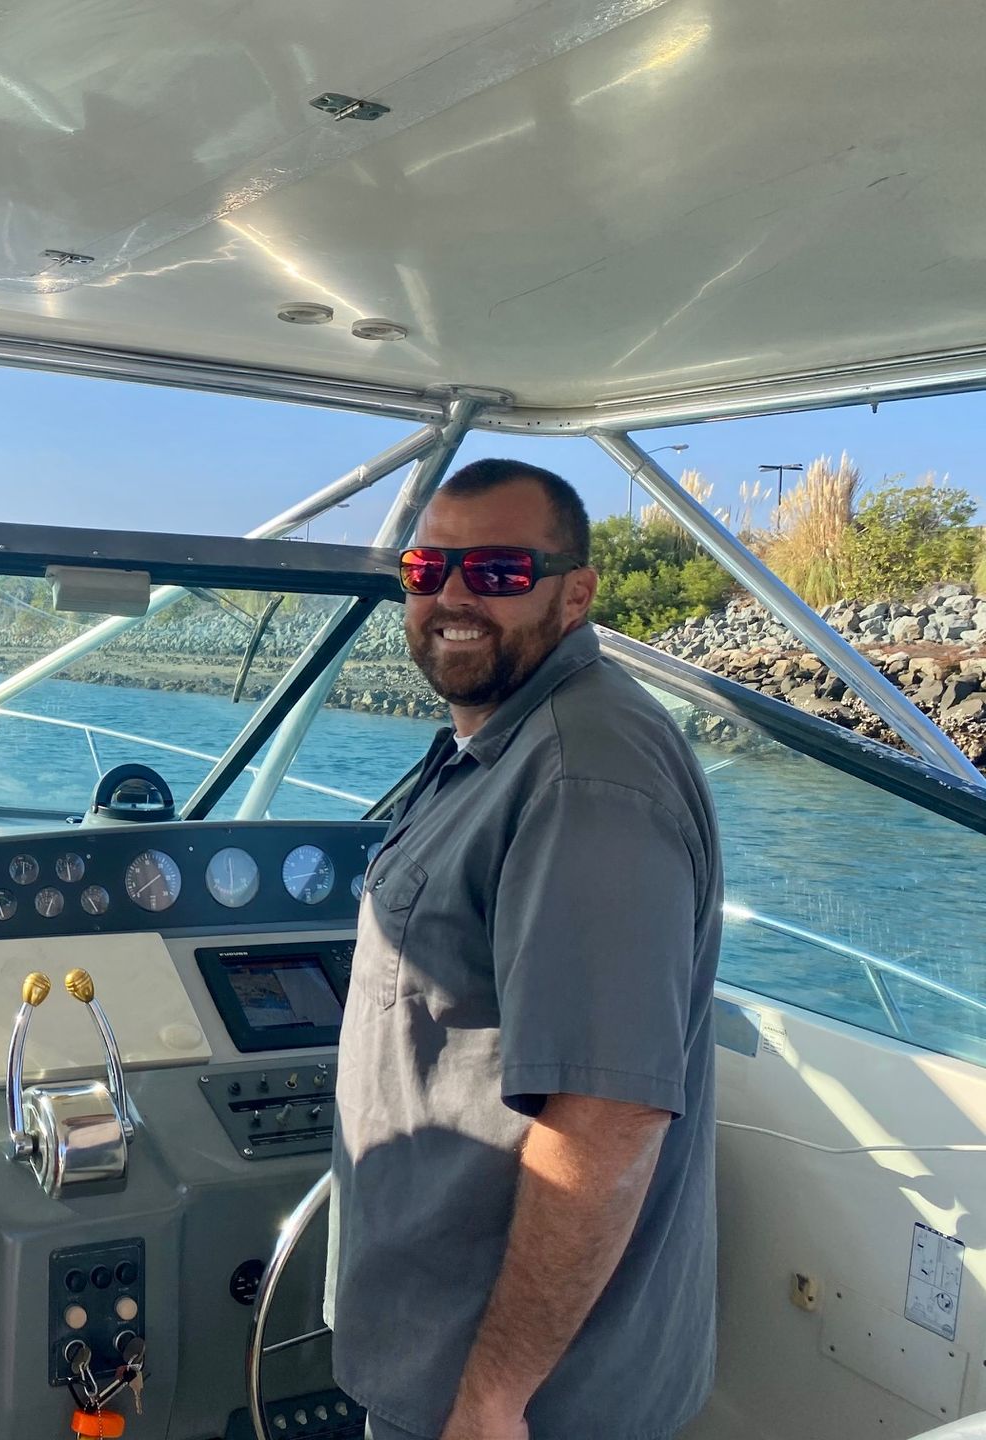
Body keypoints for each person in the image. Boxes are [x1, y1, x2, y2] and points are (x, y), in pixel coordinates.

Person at [328, 459, 720, 1440]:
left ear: (575, 593)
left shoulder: (585, 776)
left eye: (497, 571)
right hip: (449, 1356)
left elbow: (607, 1123)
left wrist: (493, 1400)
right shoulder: (505, 744)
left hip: (521, 1399)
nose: (453, 595)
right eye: (427, 567)